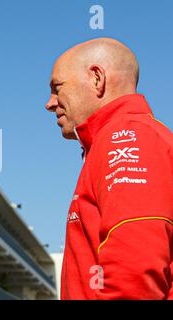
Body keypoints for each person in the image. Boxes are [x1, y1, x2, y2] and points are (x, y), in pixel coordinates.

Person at [46, 37, 173, 299]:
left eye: (57, 88)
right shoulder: (118, 139)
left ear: (97, 78)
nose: (50, 103)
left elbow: (134, 274)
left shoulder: (127, 136)